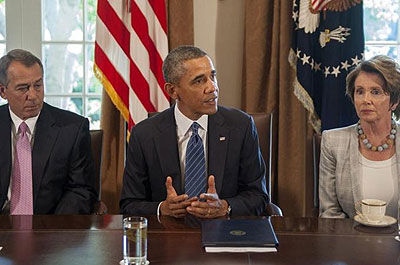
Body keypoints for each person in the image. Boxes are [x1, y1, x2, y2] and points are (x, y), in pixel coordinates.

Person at [120, 45, 268, 218]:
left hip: (224, 232)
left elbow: (259, 196)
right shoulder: (144, 135)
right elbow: (129, 204)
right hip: (168, 235)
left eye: (212, 76)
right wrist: (162, 208)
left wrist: (225, 207)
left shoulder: (240, 126)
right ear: (173, 91)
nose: (212, 87)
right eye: (199, 81)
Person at [0, 49, 97, 214]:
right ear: (3, 91)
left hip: (50, 225)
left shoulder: (72, 129)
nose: (33, 95)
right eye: (23, 88)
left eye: (37, 85)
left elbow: (81, 190)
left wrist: (52, 228)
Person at [319, 55, 400, 218]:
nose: (366, 100)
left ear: (394, 101)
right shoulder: (332, 142)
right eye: (360, 92)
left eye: (375, 92)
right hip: (351, 239)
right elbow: (329, 212)